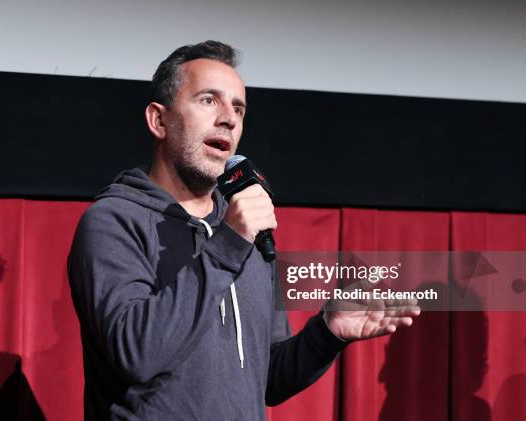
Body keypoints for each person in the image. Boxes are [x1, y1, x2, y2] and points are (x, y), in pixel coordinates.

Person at [68, 40, 420, 420]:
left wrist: (327, 333)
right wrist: (227, 246)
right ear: (159, 120)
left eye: (238, 107)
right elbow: (136, 353)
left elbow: (268, 380)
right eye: (208, 100)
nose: (229, 118)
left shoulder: (243, 232)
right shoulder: (114, 221)